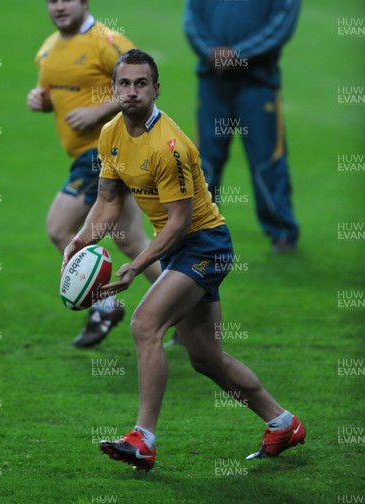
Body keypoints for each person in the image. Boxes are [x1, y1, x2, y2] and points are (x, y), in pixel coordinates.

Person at [62, 49, 306, 471]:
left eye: (142, 84)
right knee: (205, 358)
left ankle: (143, 438)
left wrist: (137, 266)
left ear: (156, 89)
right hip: (182, 246)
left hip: (204, 245)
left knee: (144, 323)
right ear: (114, 88)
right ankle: (283, 423)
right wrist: (82, 239)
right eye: (125, 83)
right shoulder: (111, 133)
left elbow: (179, 223)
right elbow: (107, 201)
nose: (133, 91)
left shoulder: (168, 146)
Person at [27, 0, 161, 347]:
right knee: (132, 241)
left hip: (104, 151)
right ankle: (186, 310)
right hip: (90, 153)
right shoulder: (49, 47)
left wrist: (95, 112)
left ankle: (104, 304)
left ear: (84, 1)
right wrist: (42, 101)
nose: (59, 6)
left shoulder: (106, 40)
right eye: (53, 0)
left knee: (58, 228)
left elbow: (142, 85)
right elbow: (55, 89)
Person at [183, 0, 302, 253]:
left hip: (257, 83)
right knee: (205, 159)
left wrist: (238, 54)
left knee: (267, 158)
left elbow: (282, 23)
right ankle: (198, 227)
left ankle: (282, 232)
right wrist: (212, 53)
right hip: (213, 80)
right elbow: (192, 20)